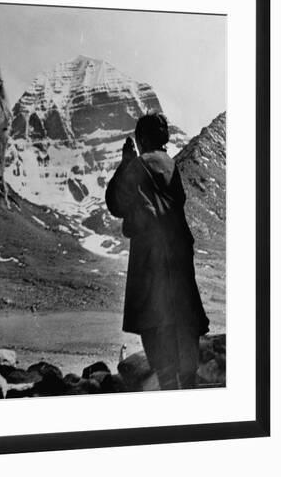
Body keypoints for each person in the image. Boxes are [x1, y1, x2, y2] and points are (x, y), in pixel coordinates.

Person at [105, 113, 209, 390]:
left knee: (154, 319)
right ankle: (187, 383)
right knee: (181, 317)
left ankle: (167, 386)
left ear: (143, 138)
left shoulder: (139, 166)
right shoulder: (171, 165)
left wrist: (126, 163)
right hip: (178, 252)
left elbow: (115, 203)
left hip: (151, 256)